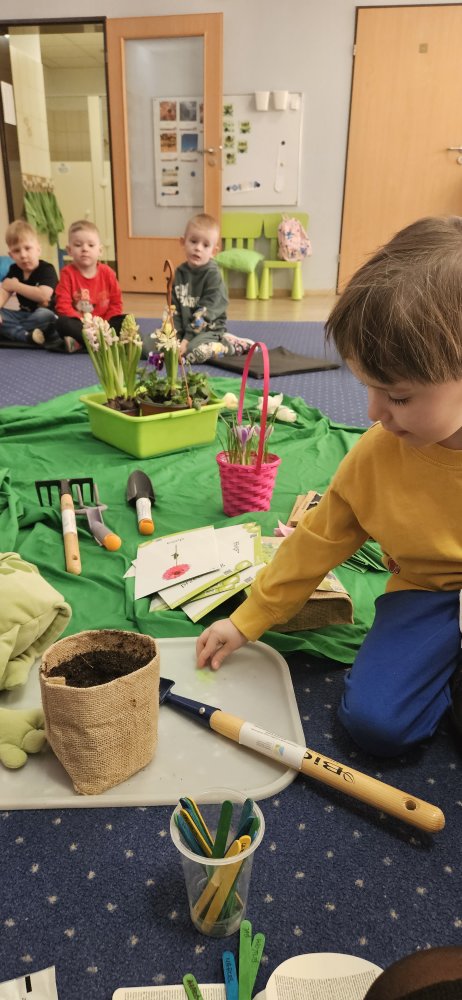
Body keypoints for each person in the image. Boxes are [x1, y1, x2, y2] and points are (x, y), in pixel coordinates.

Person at [197, 215, 462, 758]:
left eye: (398, 396)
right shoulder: (375, 458)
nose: (373, 412)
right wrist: (247, 620)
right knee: (376, 726)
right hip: (428, 595)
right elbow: (314, 543)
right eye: (367, 386)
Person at [168, 212, 254, 363]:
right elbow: (174, 310)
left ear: (214, 251)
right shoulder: (179, 273)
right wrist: (174, 337)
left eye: (205, 245)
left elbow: (204, 315)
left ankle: (231, 345)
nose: (198, 248)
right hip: (185, 332)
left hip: (208, 330)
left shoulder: (213, 276)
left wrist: (186, 340)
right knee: (153, 346)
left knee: (194, 352)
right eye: (193, 241)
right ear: (183, 242)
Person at [53, 220, 125, 351]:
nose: (85, 249)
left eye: (91, 245)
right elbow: (62, 305)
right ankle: (99, 342)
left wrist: (104, 324)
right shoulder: (67, 274)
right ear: (69, 250)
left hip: (105, 324)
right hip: (80, 324)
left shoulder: (108, 273)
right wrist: (85, 324)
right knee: (61, 323)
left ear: (100, 250)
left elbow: (116, 303)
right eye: (78, 245)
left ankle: (84, 342)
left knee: (126, 320)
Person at [0, 220, 57, 347]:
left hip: (44, 315)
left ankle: (15, 332)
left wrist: (16, 286)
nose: (23, 255)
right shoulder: (14, 270)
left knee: (45, 315)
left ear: (38, 249)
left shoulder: (47, 269)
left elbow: (44, 295)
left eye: (27, 248)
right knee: (2, 314)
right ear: (11, 255)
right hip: (23, 315)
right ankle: (27, 335)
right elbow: (4, 292)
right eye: (17, 251)